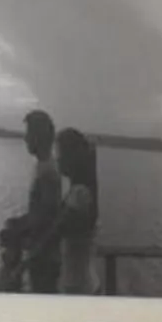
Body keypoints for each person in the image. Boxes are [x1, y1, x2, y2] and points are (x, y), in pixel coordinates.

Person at [0, 108, 62, 292]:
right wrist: (19, 222)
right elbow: (40, 213)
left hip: (44, 257)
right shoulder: (43, 167)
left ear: (38, 136)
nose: (25, 138)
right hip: (40, 255)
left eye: (29, 133)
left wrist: (18, 229)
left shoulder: (48, 172)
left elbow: (46, 219)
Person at [51, 126, 99, 295]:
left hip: (79, 287)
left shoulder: (80, 194)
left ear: (73, 157)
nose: (57, 159)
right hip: (80, 284)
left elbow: (56, 231)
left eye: (60, 154)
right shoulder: (78, 191)